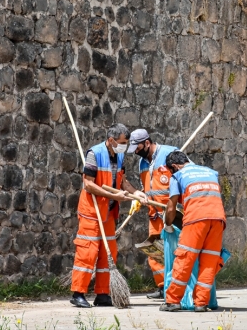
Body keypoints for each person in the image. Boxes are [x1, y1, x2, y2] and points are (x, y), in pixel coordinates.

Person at [70, 124, 148, 308]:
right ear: (111, 140)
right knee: (87, 252)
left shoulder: (119, 155)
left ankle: (102, 294)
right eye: (122, 142)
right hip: (92, 211)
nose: (125, 146)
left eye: (127, 143)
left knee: (108, 252)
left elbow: (123, 181)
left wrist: (136, 193)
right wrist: (114, 195)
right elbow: (88, 184)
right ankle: (78, 293)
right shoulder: (94, 154)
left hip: (108, 212)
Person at [159, 151, 226, 313]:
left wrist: (168, 224)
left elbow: (171, 206)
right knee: (209, 261)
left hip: (196, 218)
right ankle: (201, 303)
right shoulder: (211, 172)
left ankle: (173, 301)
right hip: (218, 219)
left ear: (174, 167)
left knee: (185, 258)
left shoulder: (178, 176)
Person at [126, 129, 179, 300]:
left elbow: (184, 177)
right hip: (154, 214)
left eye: (137, 147)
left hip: (172, 213)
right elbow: (149, 186)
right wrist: (139, 195)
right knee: (156, 253)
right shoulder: (142, 163)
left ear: (147, 143)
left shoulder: (170, 154)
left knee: (174, 250)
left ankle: (177, 286)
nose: (135, 151)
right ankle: (163, 287)